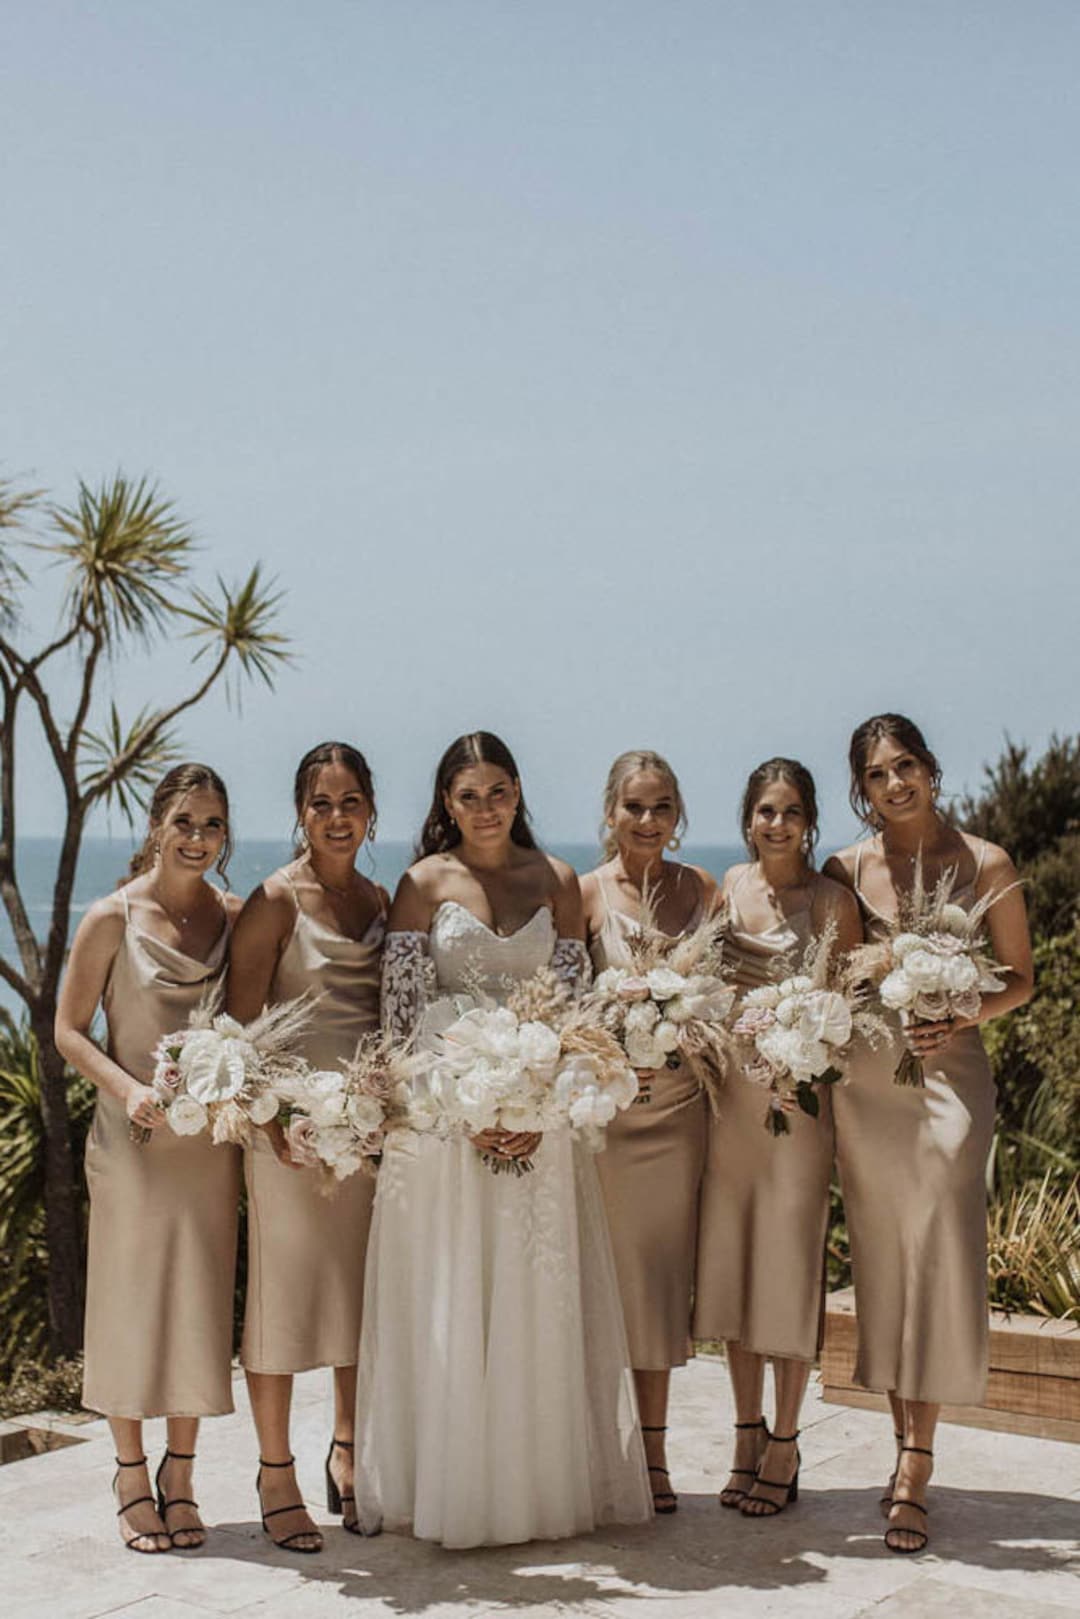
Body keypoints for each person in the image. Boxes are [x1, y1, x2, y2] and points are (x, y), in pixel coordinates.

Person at [355, 731, 652, 1547]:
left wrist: (537, 1108)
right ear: (445, 804)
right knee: (457, 1299)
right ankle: (452, 1487)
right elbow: (404, 1024)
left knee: (531, 1305)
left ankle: (535, 1489)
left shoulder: (556, 881)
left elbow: (575, 1016)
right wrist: (467, 1109)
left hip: (540, 1130)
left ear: (519, 791)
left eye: (498, 790)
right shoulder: (420, 885)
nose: (485, 808)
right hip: (449, 1130)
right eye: (467, 795)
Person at [825, 714, 1032, 1553]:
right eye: (876, 775)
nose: (893, 784)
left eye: (904, 765)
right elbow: (830, 973)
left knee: (942, 1238)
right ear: (862, 789)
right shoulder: (844, 867)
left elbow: (1021, 978)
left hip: (953, 1079)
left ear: (931, 768)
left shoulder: (988, 863)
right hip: (872, 1083)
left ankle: (918, 1461)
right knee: (884, 1250)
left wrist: (963, 1009)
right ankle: (901, 1438)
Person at [56, 763, 241, 1553]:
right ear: (156, 825)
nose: (198, 838)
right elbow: (68, 1031)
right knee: (131, 1305)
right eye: (186, 822)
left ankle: (183, 1476)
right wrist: (131, 1092)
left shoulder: (236, 918)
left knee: (198, 1302)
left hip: (206, 1148)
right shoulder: (111, 917)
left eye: (213, 824)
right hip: (131, 1144)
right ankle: (131, 1474)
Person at [226, 743, 387, 1551]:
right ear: (299, 811)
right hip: (285, 1137)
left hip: (363, 1140)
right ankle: (275, 1471)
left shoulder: (383, 900)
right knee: (283, 1304)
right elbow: (235, 1029)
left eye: (350, 800)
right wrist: (273, 1122)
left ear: (371, 811)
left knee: (361, 1301)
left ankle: (350, 1453)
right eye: (320, 802)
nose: (336, 816)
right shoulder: (273, 901)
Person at [694, 759, 861, 1517]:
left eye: (791, 810)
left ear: (810, 819)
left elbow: (851, 1014)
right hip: (732, 1107)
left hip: (800, 1110)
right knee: (733, 1268)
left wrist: (807, 1064)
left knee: (789, 1271)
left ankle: (787, 1440)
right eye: (765, 809)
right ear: (748, 817)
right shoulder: (726, 888)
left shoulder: (832, 900)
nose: (777, 823)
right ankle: (744, 1431)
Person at [581, 749, 718, 1514]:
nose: (647, 820)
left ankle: (655, 1452)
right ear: (610, 812)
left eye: (662, 806)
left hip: (678, 1112)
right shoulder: (585, 891)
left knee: (660, 1281)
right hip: (607, 1117)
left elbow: (723, 993)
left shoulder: (702, 890)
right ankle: (603, 1448)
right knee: (603, 1281)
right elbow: (564, 1005)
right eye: (634, 805)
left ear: (677, 814)